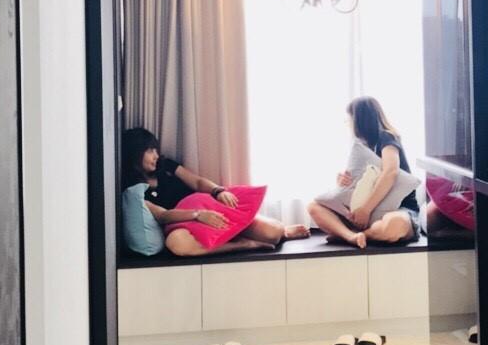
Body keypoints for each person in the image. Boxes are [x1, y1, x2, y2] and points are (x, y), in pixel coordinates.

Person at [120, 128, 308, 257]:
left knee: (273, 233)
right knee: (176, 244)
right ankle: (243, 244)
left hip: (206, 206)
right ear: (135, 153)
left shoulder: (166, 166)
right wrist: (197, 216)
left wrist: (218, 191)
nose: (156, 155)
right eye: (150, 151)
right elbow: (162, 215)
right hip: (186, 222)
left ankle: (282, 231)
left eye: (155, 150)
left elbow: (197, 181)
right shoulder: (134, 190)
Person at [307, 97, 420, 249]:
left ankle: (357, 235)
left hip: (399, 209)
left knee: (395, 225)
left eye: (349, 119)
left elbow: (390, 172)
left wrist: (366, 209)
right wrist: (342, 183)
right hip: (366, 214)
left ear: (359, 120)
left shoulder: (387, 137)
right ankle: (352, 236)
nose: (348, 124)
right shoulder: (361, 147)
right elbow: (361, 185)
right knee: (314, 207)